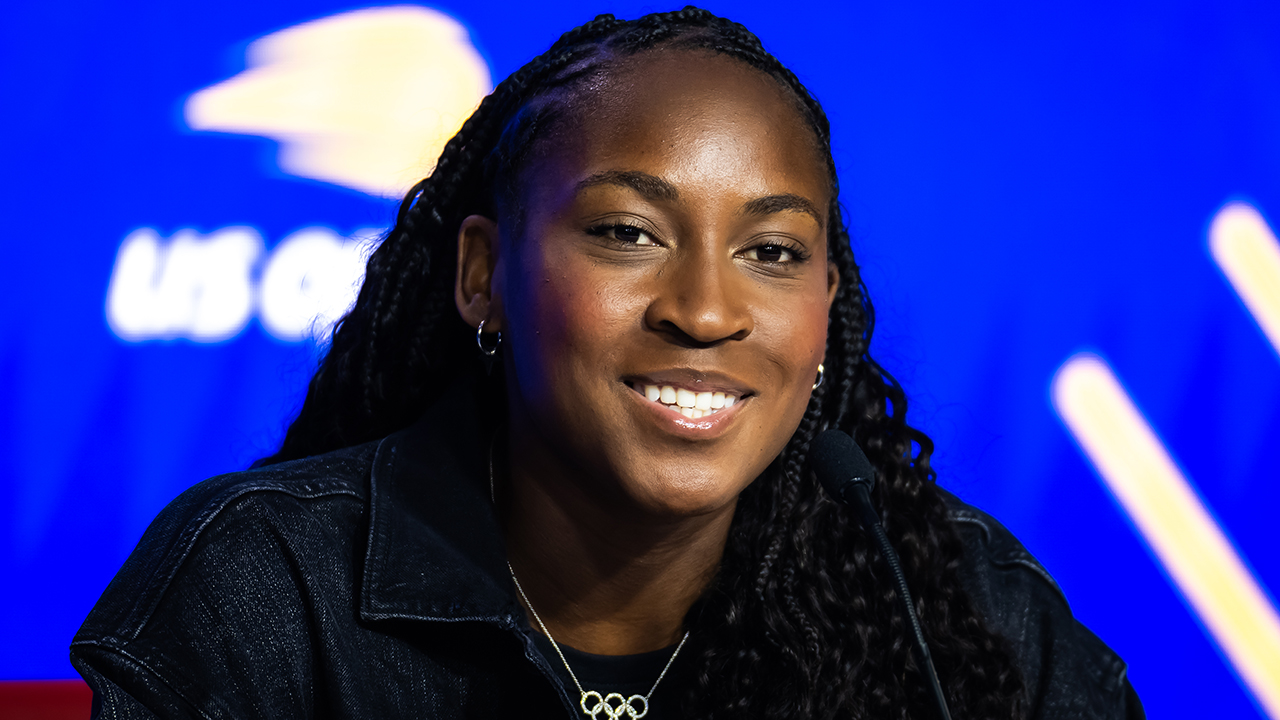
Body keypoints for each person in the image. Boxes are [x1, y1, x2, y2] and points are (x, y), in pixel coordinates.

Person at [72, 8, 1142, 719]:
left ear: (827, 306)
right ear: (483, 276)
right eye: (627, 234)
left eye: (772, 252)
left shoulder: (955, 610)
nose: (705, 310)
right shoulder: (268, 590)